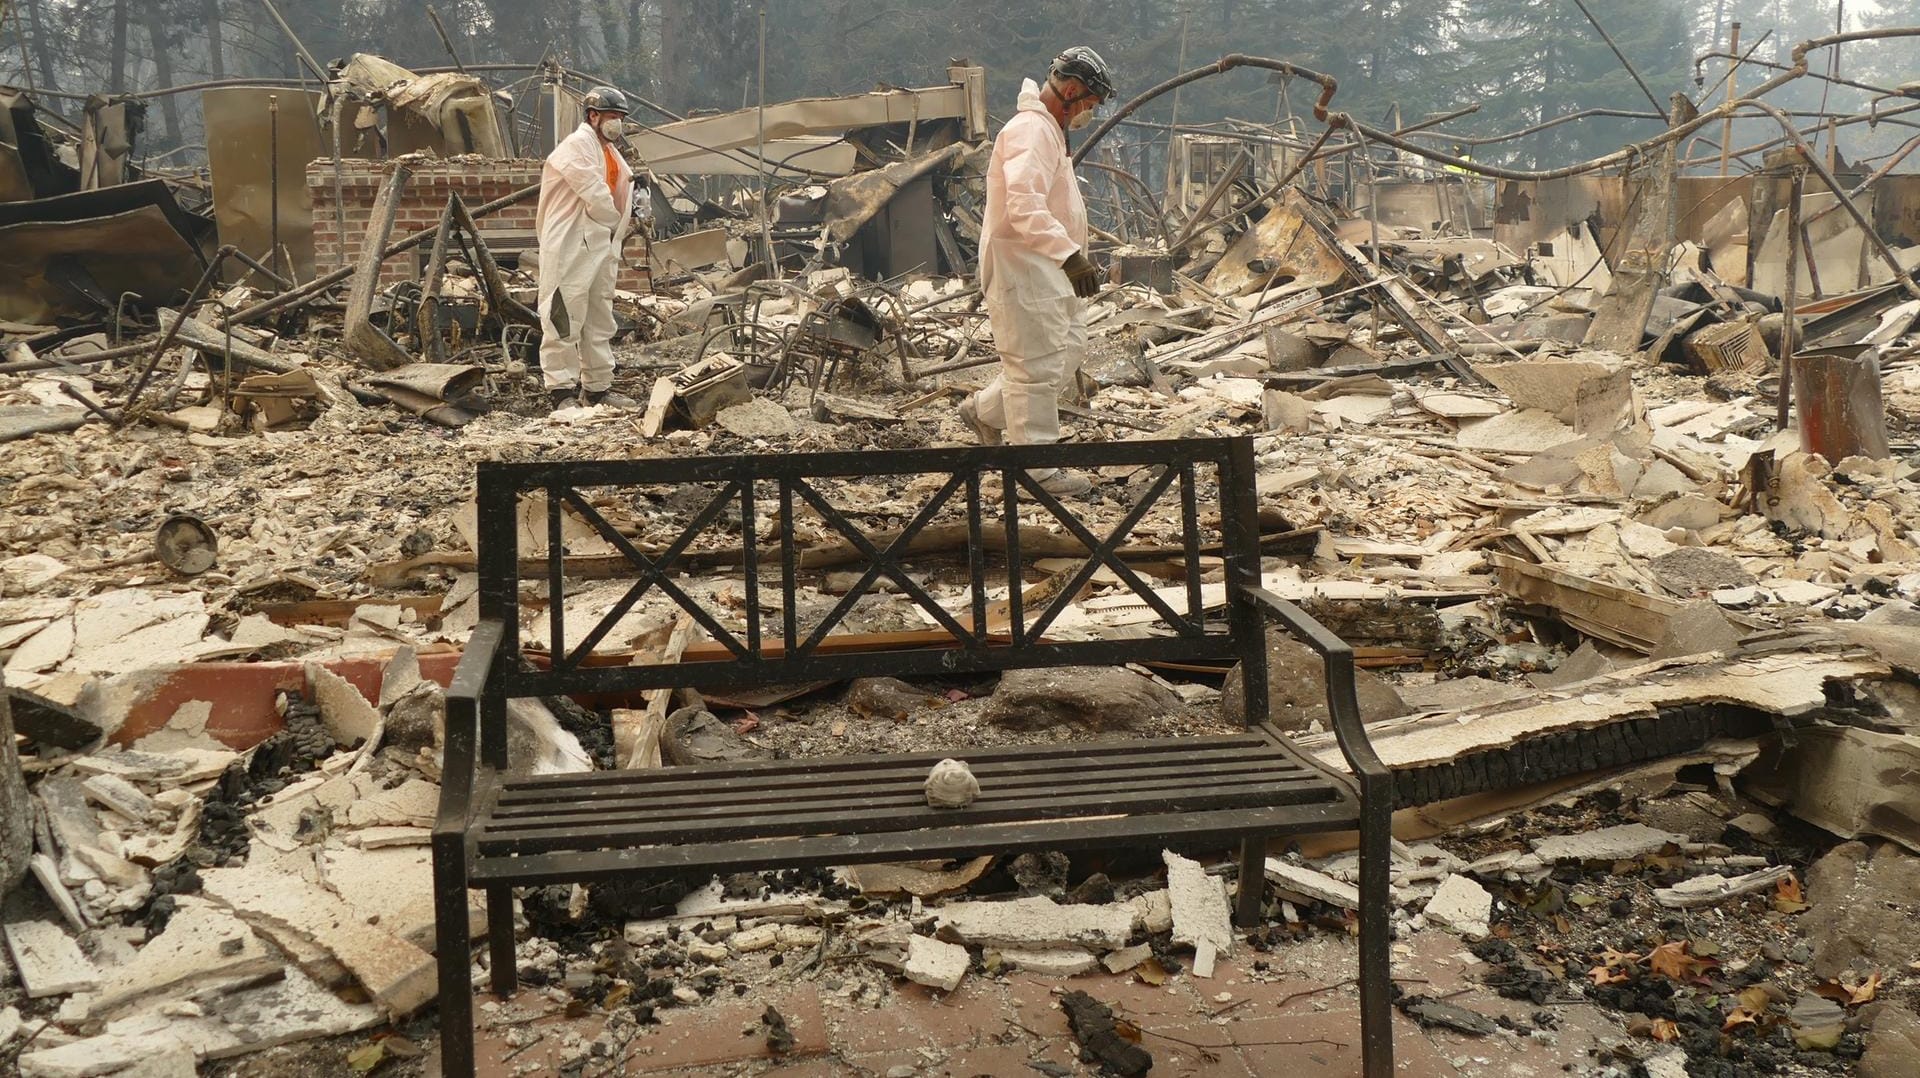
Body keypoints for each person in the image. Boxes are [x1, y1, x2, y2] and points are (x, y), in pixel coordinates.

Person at [957, 47, 1113, 496]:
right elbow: (1024, 205)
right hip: (1023, 265)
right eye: (1088, 104)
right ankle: (1036, 471)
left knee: (1066, 351)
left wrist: (1067, 255)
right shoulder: (1030, 131)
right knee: (1034, 367)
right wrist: (1069, 254)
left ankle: (985, 412)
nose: (1087, 113)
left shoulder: (1048, 130)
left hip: (1045, 265)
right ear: (1069, 91)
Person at [536, 85, 636, 411]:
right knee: (563, 314)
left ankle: (597, 388)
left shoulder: (610, 153)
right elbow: (595, 195)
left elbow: (619, 192)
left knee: (598, 316)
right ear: (593, 116)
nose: (616, 123)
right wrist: (617, 221)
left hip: (600, 243)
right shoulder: (577, 146)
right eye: (611, 116)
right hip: (572, 242)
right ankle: (561, 391)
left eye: (620, 117)